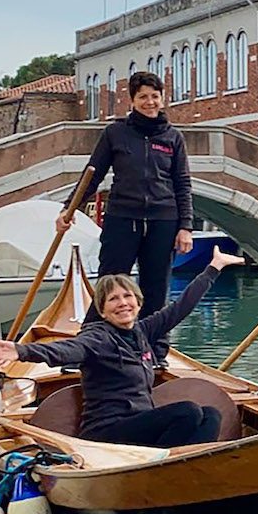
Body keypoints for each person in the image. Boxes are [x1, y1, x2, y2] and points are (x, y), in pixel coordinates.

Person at [0, 247, 246, 447]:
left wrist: (214, 266)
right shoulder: (99, 337)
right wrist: (22, 351)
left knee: (210, 414)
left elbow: (181, 307)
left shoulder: (142, 330)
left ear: (138, 303)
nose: (122, 303)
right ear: (103, 311)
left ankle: (189, 468)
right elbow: (67, 350)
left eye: (127, 296)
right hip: (108, 430)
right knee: (187, 411)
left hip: (141, 425)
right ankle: (161, 465)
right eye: (113, 300)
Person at [55, 71, 193, 364]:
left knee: (156, 289)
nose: (150, 102)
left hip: (163, 221)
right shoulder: (115, 133)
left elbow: (182, 184)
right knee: (109, 282)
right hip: (122, 217)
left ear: (162, 98)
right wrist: (70, 209)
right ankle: (88, 346)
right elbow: (92, 174)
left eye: (155, 96)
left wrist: (186, 227)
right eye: (143, 96)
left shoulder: (173, 138)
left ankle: (154, 353)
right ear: (132, 100)